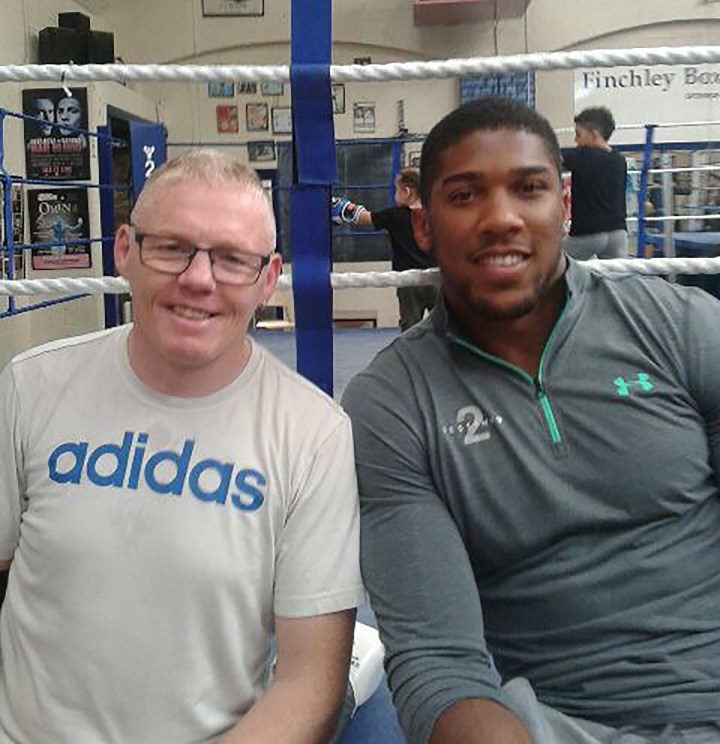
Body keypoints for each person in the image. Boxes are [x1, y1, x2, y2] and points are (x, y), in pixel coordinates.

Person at [343, 97, 720, 744]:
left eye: (529, 188)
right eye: (464, 196)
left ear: (564, 205)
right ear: (424, 225)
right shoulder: (393, 404)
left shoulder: (676, 326)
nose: (501, 218)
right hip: (560, 725)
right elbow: (441, 663)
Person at [0, 150, 365, 744]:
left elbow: (308, 682)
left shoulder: (313, 434)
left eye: (231, 258)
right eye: (171, 247)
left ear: (268, 279)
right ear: (124, 252)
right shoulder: (30, 385)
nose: (198, 279)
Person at [332, 167, 437, 331]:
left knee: (410, 325)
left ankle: (410, 356)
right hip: (436, 278)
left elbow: (364, 218)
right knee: (445, 326)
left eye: (396, 190)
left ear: (406, 191)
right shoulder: (438, 214)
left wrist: (341, 207)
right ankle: (449, 355)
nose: (395, 194)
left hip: (407, 280)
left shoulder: (394, 215)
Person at [562, 105, 628, 259]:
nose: (576, 140)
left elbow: (549, 156)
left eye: (578, 134)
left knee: (551, 267)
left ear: (594, 134)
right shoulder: (619, 160)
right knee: (618, 278)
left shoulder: (582, 155)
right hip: (617, 233)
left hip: (587, 234)